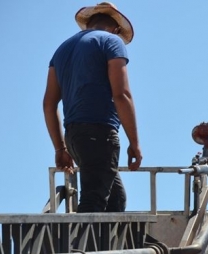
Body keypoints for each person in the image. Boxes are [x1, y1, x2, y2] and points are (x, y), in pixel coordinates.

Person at [43, 2, 142, 212]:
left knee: (115, 200)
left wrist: (60, 148)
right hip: (99, 132)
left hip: (74, 136)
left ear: (88, 24)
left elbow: (49, 104)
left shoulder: (62, 49)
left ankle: (103, 236)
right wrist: (134, 143)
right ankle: (80, 236)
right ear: (116, 29)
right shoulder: (112, 41)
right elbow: (121, 95)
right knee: (93, 201)